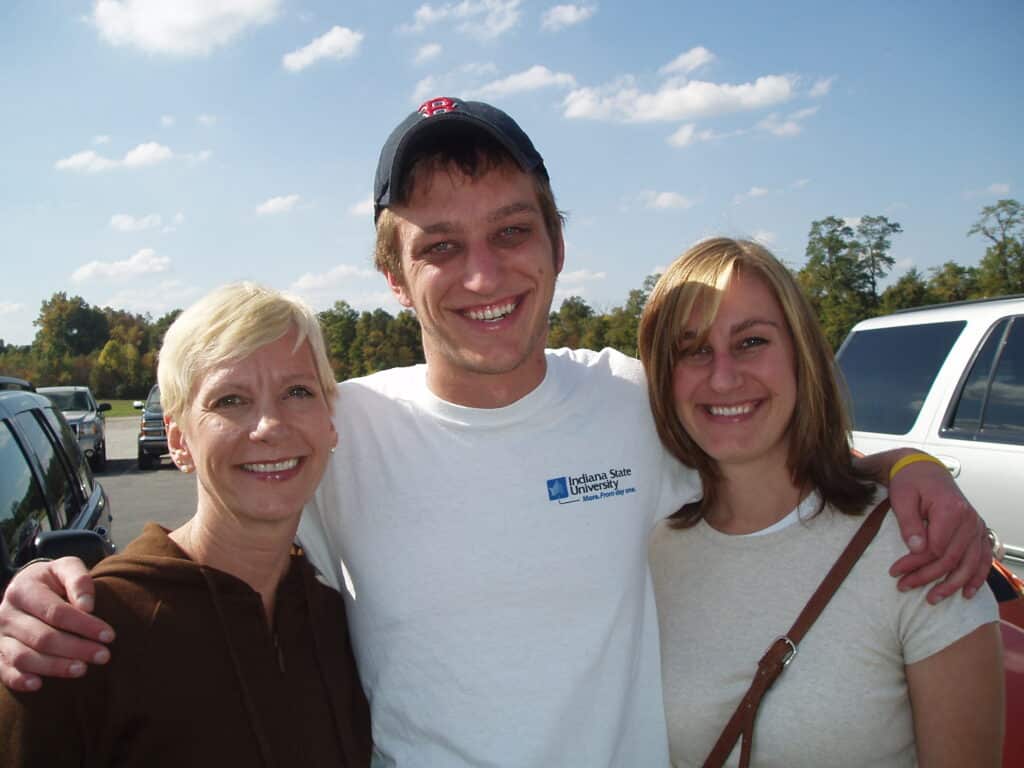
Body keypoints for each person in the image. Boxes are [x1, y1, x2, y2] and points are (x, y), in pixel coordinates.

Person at [0, 98, 993, 767]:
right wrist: (54, 585)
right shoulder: (342, 430)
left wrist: (911, 466)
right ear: (395, 279)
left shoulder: (633, 400)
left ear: (557, 246)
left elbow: (768, 453)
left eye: (511, 231)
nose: (483, 275)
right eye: (441, 247)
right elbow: (217, 543)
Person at [639, 238, 1003, 767]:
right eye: (692, 350)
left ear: (801, 352)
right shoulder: (641, 545)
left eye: (751, 342)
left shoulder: (920, 546)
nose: (722, 376)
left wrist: (913, 465)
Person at [0, 283, 372, 767]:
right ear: (178, 440)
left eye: (297, 391)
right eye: (230, 400)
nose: (269, 426)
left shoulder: (337, 619)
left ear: (330, 421)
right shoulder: (78, 637)